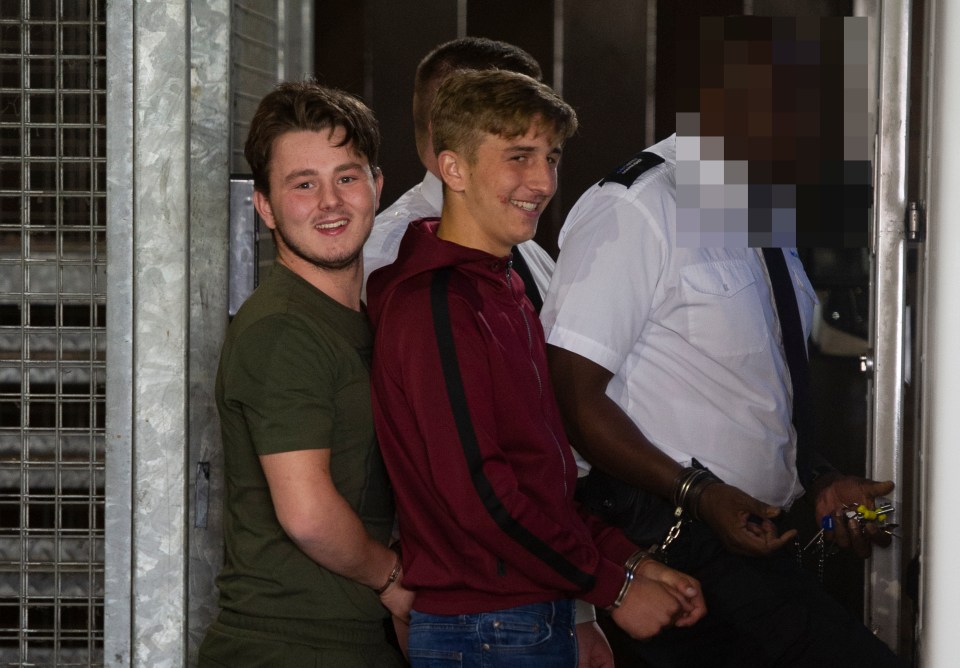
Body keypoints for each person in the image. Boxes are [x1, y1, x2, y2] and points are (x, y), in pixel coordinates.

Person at [541, 18, 907, 661]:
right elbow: (572, 394)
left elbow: (748, 390)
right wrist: (697, 494)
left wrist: (817, 478)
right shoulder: (638, 205)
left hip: (762, 536)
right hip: (676, 540)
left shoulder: (758, 209)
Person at [366, 69, 706, 668]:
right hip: (483, 629)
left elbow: (538, 480)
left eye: (550, 157)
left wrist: (627, 559)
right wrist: (613, 588)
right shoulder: (438, 304)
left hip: (522, 615)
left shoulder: (502, 288)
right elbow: (480, 497)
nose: (543, 180)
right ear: (454, 169)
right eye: (518, 157)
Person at [198, 81, 412, 667]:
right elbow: (308, 514)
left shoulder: (363, 318)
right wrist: (394, 579)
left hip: (345, 640)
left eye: (347, 177)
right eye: (302, 184)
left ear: (377, 187)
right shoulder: (284, 331)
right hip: (288, 645)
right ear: (264, 205)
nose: (330, 202)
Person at [363, 36, 556, 311]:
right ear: (445, 130)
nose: (544, 183)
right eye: (515, 128)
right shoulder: (389, 262)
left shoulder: (526, 250)